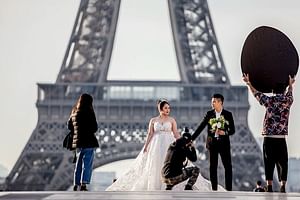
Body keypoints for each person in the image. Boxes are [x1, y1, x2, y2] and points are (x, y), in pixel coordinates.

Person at [106, 99, 223, 191]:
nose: (168, 110)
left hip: (168, 142)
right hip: (156, 143)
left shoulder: (172, 120)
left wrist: (185, 143)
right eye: (166, 108)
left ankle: (168, 184)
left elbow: (176, 134)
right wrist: (146, 146)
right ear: (160, 109)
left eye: (169, 108)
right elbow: (150, 134)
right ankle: (159, 184)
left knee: (166, 161)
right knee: (156, 163)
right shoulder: (153, 120)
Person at [243, 73, 295, 193]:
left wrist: (249, 83)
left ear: (273, 91)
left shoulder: (270, 101)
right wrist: (291, 85)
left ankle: (269, 185)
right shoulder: (288, 101)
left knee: (268, 161)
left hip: (269, 137)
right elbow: (290, 93)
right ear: (284, 90)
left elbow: (257, 94)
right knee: (283, 162)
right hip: (281, 137)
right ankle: (282, 185)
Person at [191, 93, 235, 191]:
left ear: (220, 102)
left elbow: (232, 130)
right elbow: (201, 127)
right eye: (212, 102)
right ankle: (214, 189)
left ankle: (229, 190)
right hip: (212, 144)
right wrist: (191, 139)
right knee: (213, 167)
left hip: (224, 144)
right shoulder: (209, 114)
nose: (212, 104)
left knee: (228, 167)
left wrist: (224, 132)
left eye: (214, 102)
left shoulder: (228, 114)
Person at [68, 93, 99, 191]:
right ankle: (83, 184)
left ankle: (76, 184)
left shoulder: (74, 112)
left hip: (78, 143)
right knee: (87, 164)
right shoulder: (89, 112)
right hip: (89, 142)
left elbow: (69, 126)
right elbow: (95, 128)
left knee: (78, 164)